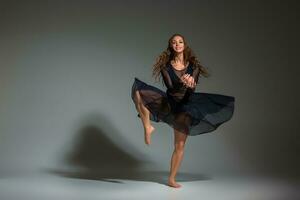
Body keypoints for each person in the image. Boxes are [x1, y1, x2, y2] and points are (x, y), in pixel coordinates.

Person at [131, 33, 235, 188]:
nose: (177, 44)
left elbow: (191, 90)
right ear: (171, 46)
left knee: (179, 145)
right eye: (174, 42)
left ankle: (171, 179)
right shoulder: (165, 67)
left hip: (185, 107)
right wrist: (182, 83)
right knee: (138, 91)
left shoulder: (194, 67)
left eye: (180, 42)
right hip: (169, 102)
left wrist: (191, 84)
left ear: (184, 45)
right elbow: (171, 88)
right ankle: (147, 126)